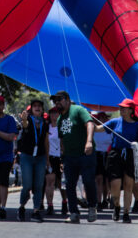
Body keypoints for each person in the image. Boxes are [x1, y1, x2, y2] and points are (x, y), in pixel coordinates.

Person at [50, 91, 97, 224]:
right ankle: (74, 213)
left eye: (60, 99)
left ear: (68, 100)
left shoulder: (78, 110)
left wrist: (88, 142)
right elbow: (62, 140)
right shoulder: (59, 119)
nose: (57, 102)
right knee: (69, 185)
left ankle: (92, 206)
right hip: (69, 157)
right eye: (55, 100)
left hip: (85, 154)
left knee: (88, 181)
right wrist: (62, 158)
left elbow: (90, 124)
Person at [96, 98, 138, 224]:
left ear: (131, 110)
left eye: (124, 108)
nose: (121, 109)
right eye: (121, 107)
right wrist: (87, 122)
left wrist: (137, 148)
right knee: (115, 185)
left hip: (130, 155)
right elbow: (98, 128)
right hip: (115, 154)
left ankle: (126, 213)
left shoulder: (137, 126)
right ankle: (117, 206)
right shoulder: (114, 122)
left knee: (129, 185)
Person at [16, 99, 49, 223]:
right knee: (27, 185)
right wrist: (24, 119)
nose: (37, 107)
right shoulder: (28, 120)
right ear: (31, 110)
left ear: (42, 110)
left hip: (40, 157)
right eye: (35, 106)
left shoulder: (45, 123)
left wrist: (48, 159)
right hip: (27, 156)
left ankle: (36, 211)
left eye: (39, 106)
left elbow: (46, 142)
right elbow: (24, 125)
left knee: (39, 185)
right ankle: (21, 207)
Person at [45, 107, 66, 216]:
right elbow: (45, 144)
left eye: (56, 113)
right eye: (52, 113)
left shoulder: (63, 127)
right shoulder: (47, 128)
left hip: (61, 157)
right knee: (50, 182)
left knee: (61, 183)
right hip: (51, 157)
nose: (54, 115)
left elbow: (65, 143)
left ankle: (64, 202)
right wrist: (47, 159)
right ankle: (50, 205)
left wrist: (64, 158)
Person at [92, 112, 112, 211]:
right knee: (99, 179)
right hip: (97, 155)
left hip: (108, 155)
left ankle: (107, 199)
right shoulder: (94, 130)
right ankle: (98, 201)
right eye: (100, 117)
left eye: (104, 117)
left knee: (107, 180)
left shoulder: (110, 130)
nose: (102, 119)